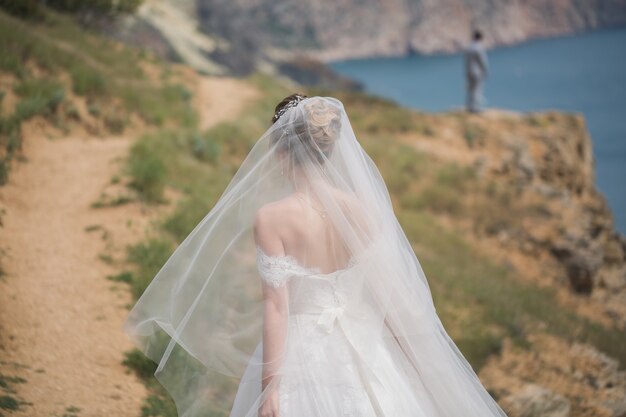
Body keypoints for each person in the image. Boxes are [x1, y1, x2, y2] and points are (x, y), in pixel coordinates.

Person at [123, 94, 509, 416]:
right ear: (330, 150)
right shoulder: (363, 210)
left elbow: (276, 307)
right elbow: (384, 290)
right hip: (367, 347)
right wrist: (412, 358)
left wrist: (270, 390)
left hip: (300, 352)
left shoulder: (272, 219)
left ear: (278, 150)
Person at [464, 29, 489, 113]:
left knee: (470, 90)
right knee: (477, 90)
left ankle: (469, 107)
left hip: (469, 72)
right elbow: (482, 61)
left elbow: (466, 61)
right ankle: (476, 108)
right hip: (477, 73)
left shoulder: (468, 47)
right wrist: (485, 71)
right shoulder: (479, 48)